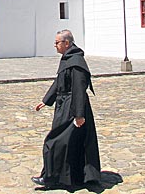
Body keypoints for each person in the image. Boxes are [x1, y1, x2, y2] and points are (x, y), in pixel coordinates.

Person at [32, 29, 101, 189]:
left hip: (72, 108)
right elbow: (60, 80)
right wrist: (46, 100)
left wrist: (79, 114)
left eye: (57, 42)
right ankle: (72, 177)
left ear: (67, 43)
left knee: (55, 141)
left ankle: (50, 178)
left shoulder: (76, 62)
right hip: (64, 105)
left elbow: (78, 88)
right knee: (71, 143)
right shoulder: (68, 59)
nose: (55, 45)